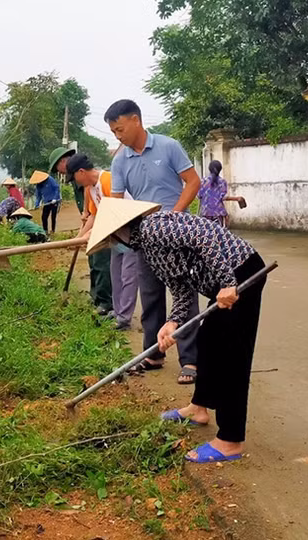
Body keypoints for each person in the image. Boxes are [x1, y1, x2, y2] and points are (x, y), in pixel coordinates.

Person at [86, 197, 267, 463]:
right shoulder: (149, 249)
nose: (116, 243)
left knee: (231, 355)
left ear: (122, 230)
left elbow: (205, 237)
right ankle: (198, 408)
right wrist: (172, 322)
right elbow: (181, 286)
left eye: (114, 238)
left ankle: (230, 440)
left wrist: (228, 283)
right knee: (207, 339)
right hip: (223, 284)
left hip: (242, 273)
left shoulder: (154, 228)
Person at [106, 99, 202, 384]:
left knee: (184, 294)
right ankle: (154, 353)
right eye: (113, 132)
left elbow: (193, 182)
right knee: (150, 296)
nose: (118, 136)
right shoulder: (120, 160)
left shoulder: (168, 146)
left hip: (177, 233)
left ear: (135, 120)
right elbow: (117, 203)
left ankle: (191, 360)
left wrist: (174, 215)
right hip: (146, 238)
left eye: (120, 129)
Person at [66, 154, 140, 327]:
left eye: (74, 177)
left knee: (128, 277)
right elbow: (94, 214)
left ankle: (124, 319)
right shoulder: (91, 189)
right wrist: (79, 238)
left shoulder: (107, 181)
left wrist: (93, 233)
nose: (75, 182)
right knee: (115, 275)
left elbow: (115, 212)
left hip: (131, 233)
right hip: (116, 236)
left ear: (81, 172)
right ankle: (117, 311)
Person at [50, 146, 110, 316]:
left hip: (108, 230)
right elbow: (91, 212)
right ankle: (97, 297)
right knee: (94, 262)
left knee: (102, 264)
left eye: (59, 168)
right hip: (94, 226)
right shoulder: (85, 182)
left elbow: (102, 212)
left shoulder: (99, 181)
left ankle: (106, 303)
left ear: (64, 162)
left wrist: (88, 231)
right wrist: (81, 235)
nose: (63, 174)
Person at [198, 160, 229, 227]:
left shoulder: (203, 181)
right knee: (218, 234)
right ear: (220, 169)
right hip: (218, 213)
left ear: (209, 169)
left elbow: (199, 195)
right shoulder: (223, 182)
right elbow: (222, 198)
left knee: (206, 234)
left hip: (205, 212)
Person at [30, 170, 61, 235]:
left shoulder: (50, 179)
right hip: (46, 202)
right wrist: (36, 204)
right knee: (44, 217)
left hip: (54, 201)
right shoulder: (38, 186)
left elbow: (56, 188)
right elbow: (38, 196)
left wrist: (55, 198)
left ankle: (53, 230)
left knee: (53, 216)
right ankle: (45, 231)